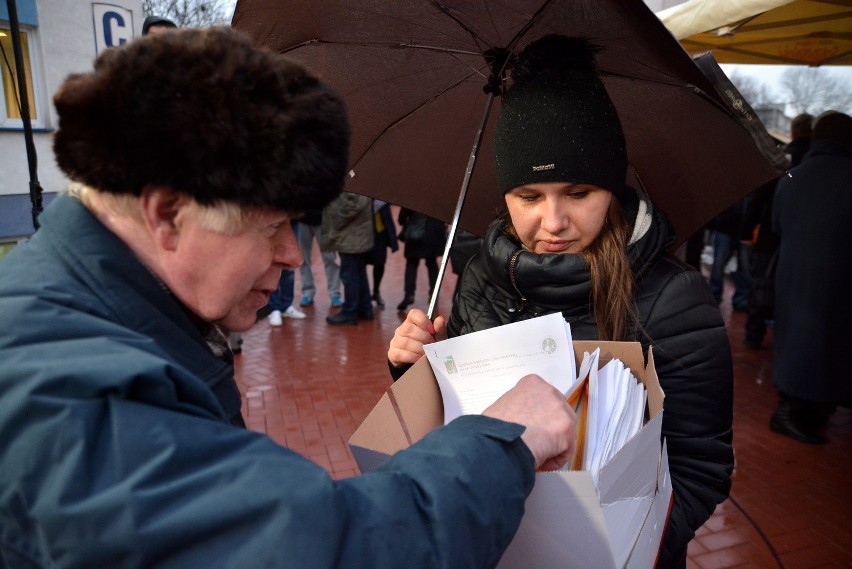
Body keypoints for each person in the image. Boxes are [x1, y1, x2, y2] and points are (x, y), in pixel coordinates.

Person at [0, 27, 577, 567]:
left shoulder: (103, 314)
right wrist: (502, 442)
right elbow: (323, 548)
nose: (294, 255)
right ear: (167, 212)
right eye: (271, 226)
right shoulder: (78, 397)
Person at [388, 35, 734, 569]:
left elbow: (699, 469)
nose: (552, 223)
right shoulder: (480, 273)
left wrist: (619, 549)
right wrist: (413, 370)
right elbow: (455, 418)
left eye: (578, 193)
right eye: (528, 197)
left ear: (612, 191)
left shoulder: (672, 301)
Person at [770, 110, 852, 445]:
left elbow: (776, 225)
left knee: (798, 342)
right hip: (838, 279)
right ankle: (793, 414)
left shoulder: (793, 176)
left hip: (791, 274)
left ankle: (796, 409)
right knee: (828, 347)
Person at [740, 113, 813, 349]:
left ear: (792, 131)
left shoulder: (780, 159)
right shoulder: (814, 164)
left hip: (769, 237)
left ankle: (753, 336)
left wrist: (746, 229)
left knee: (760, 285)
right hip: (801, 240)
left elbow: (757, 198)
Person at [321, 191, 376, 325]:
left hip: (351, 235)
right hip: (354, 234)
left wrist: (337, 220)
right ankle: (364, 308)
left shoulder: (353, 175)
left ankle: (350, 311)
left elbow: (357, 203)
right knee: (358, 273)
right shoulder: (357, 175)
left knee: (350, 275)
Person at [396, 208, 446, 311]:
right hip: (433, 231)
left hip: (415, 231)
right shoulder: (439, 194)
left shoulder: (415, 194)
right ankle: (433, 295)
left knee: (411, 264)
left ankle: (408, 295)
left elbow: (402, 217)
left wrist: (403, 220)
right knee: (432, 264)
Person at [295, 207, 343, 308]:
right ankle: (308, 292)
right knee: (303, 258)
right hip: (303, 220)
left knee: (330, 258)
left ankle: (335, 293)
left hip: (324, 220)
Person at [367, 199, 399, 308]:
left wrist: (392, 240)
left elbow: (388, 219)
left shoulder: (382, 200)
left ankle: (376, 292)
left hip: (380, 235)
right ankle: (365, 294)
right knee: (360, 266)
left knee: (380, 264)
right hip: (363, 235)